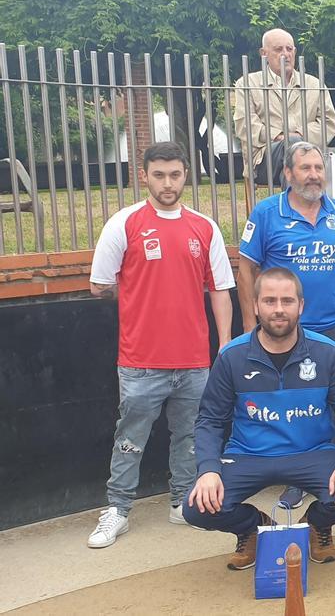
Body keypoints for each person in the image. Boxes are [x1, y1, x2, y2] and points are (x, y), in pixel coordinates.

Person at [86, 141, 234, 549]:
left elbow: (220, 289)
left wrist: (224, 346)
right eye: (159, 175)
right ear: (144, 176)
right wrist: (138, 289)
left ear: (186, 174)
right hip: (140, 362)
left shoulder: (204, 227)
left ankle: (183, 502)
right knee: (130, 437)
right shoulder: (125, 223)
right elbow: (99, 284)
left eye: (175, 175)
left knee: (190, 437)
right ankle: (117, 509)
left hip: (194, 362)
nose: (167, 183)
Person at [185, 267, 335, 568]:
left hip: (313, 452)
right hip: (248, 455)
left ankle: (316, 525)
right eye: (270, 301)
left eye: (287, 301)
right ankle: (253, 527)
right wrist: (208, 469)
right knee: (196, 507)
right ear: (255, 306)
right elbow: (210, 421)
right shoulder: (231, 357)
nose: (279, 309)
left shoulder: (327, 352)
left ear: (301, 306)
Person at [238, 141, 335, 509]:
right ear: (288, 173)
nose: (314, 175)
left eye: (319, 167)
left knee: (334, 405)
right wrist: (248, 322)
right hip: (284, 331)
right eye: (306, 168)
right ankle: (295, 479)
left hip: (334, 326)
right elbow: (246, 269)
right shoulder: (267, 212)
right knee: (291, 404)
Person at [232, 28, 335, 186]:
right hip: (264, 159)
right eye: (278, 49)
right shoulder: (248, 84)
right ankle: (301, 208)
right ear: (263, 53)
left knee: (294, 159)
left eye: (289, 49)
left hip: (310, 159)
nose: (286, 54)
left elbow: (329, 123)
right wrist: (278, 136)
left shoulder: (314, 84)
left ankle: (290, 210)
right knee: (292, 147)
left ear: (295, 52)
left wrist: (298, 136)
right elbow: (245, 125)